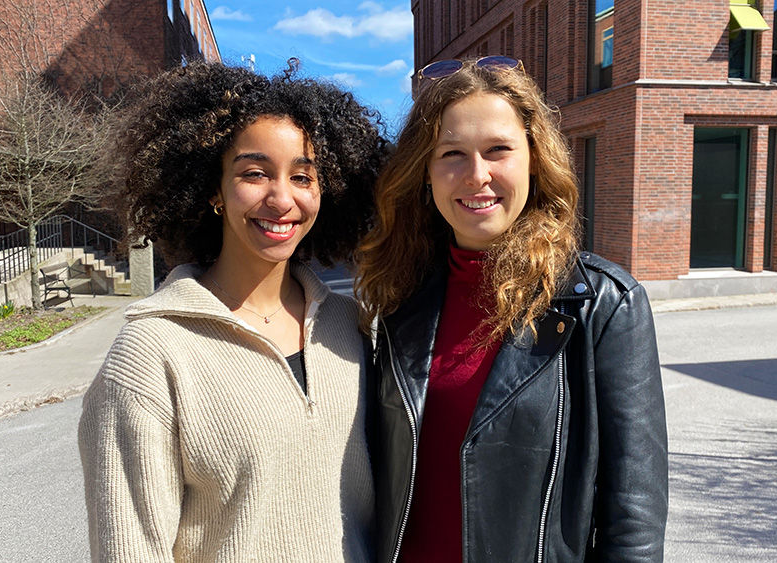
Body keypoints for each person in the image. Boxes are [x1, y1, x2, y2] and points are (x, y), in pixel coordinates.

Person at [356, 56, 668, 562]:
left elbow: (633, 513)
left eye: (498, 150)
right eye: (451, 154)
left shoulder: (602, 303)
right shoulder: (400, 295)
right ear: (425, 173)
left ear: (534, 158)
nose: (477, 175)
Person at [78, 61, 389, 562]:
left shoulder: (347, 325)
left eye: (303, 177)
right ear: (213, 190)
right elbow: (129, 548)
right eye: (254, 173)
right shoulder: (150, 356)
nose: (281, 198)